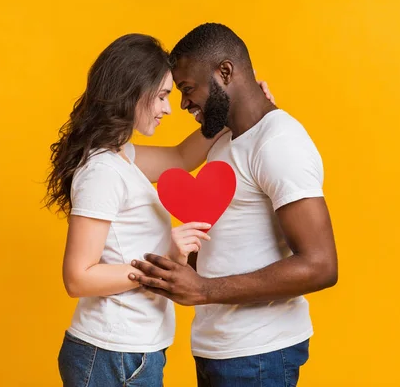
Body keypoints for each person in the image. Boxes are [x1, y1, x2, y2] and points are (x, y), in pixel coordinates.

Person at [44, 33, 274, 386]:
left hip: (129, 351)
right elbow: (78, 278)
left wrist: (235, 110)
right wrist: (164, 259)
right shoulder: (102, 171)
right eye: (163, 96)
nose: (169, 108)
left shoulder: (122, 156)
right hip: (112, 352)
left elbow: (181, 158)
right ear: (132, 91)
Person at [129, 23, 339, 387]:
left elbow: (321, 266)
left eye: (188, 89)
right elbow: (176, 161)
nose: (182, 104)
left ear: (225, 72)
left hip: (258, 354)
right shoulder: (225, 138)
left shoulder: (278, 142)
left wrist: (203, 289)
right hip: (219, 349)